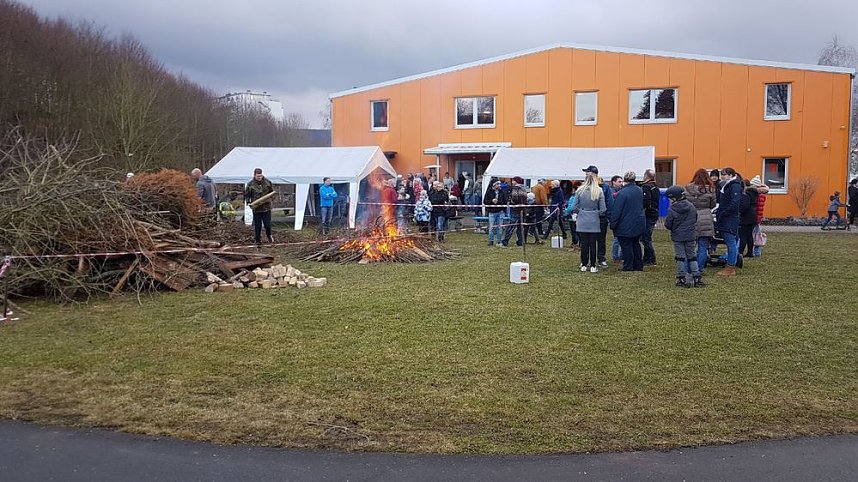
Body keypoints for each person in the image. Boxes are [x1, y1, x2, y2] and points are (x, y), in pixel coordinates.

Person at [664, 185, 704, 288]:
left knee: (680, 257)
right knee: (692, 256)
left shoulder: (672, 209)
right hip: (690, 235)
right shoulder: (691, 206)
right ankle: (697, 277)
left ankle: (682, 277)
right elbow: (695, 218)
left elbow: (668, 224)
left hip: (678, 236)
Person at [571, 173, 606, 272]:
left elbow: (574, 207)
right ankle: (593, 265)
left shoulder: (579, 190)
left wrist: (581, 212)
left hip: (582, 218)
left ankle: (584, 264)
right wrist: (595, 213)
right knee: (593, 244)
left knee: (584, 243)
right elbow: (603, 209)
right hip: (594, 218)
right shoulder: (599, 191)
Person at [611, 171, 646, 272]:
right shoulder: (639, 190)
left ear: (624, 180)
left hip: (625, 223)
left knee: (626, 246)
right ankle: (638, 265)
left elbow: (617, 210)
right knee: (636, 244)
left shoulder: (622, 193)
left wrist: (613, 223)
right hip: (638, 222)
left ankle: (628, 265)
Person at [685, 168, 717, 271]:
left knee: (689, 246)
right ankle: (699, 268)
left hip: (690, 218)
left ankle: (688, 268)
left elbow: (684, 203)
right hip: (705, 218)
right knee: (702, 246)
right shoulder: (711, 189)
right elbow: (712, 204)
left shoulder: (687, 188)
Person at [714, 167, 743, 277]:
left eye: (724, 175)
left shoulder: (734, 186)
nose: (722, 177)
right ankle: (730, 265)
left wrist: (723, 212)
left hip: (729, 219)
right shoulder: (728, 185)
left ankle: (730, 267)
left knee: (731, 243)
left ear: (731, 175)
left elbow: (735, 203)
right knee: (732, 242)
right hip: (728, 218)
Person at [244, 167, 274, 245]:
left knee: (267, 225)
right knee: (258, 226)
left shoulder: (268, 182)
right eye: (258, 176)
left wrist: (271, 199)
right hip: (256, 208)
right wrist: (248, 201)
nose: (259, 178)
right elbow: (247, 195)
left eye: (260, 176)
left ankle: (269, 236)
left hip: (266, 208)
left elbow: (272, 193)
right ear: (254, 176)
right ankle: (258, 241)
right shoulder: (250, 184)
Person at [640, 169, 660, 265]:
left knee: (646, 238)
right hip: (654, 213)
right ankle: (649, 257)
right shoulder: (655, 187)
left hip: (648, 214)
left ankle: (650, 258)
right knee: (647, 237)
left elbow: (646, 202)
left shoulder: (646, 187)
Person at [501, 177, 527, 247]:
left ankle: (505, 241)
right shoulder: (524, 189)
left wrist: (510, 201)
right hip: (523, 210)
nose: (512, 182)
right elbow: (525, 200)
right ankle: (520, 242)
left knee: (510, 227)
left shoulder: (515, 188)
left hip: (515, 209)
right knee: (520, 227)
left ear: (516, 181)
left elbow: (514, 199)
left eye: (513, 181)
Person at [738, 180, 759, 257]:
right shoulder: (754, 193)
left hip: (745, 217)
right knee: (749, 235)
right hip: (753, 216)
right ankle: (750, 252)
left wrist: (739, 212)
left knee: (743, 235)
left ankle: (740, 252)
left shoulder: (746, 195)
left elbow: (744, 207)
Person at [484, 179, 507, 246]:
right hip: (491, 212)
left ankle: (499, 241)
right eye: (498, 184)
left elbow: (505, 201)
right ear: (494, 185)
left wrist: (499, 202)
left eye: (499, 184)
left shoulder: (502, 192)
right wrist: (492, 201)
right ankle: (491, 241)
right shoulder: (489, 191)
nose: (499, 185)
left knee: (499, 228)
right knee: (491, 227)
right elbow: (485, 201)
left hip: (500, 212)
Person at [608, 175, 624, 262]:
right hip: (615, 217)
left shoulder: (621, 191)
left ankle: (621, 255)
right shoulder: (611, 192)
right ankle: (615, 256)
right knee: (617, 238)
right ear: (613, 182)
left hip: (621, 217)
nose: (621, 183)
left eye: (622, 182)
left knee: (622, 237)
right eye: (619, 182)